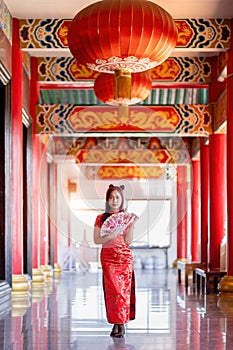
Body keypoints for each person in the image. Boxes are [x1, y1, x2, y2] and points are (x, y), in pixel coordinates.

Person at [94, 184, 137, 338]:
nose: (114, 200)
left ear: (122, 200)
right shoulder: (101, 218)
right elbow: (96, 240)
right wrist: (111, 236)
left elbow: (128, 241)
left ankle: (121, 324)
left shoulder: (126, 218)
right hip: (108, 257)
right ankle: (116, 322)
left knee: (123, 292)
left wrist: (131, 226)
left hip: (124, 257)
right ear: (107, 200)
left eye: (117, 197)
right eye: (111, 197)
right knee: (112, 292)